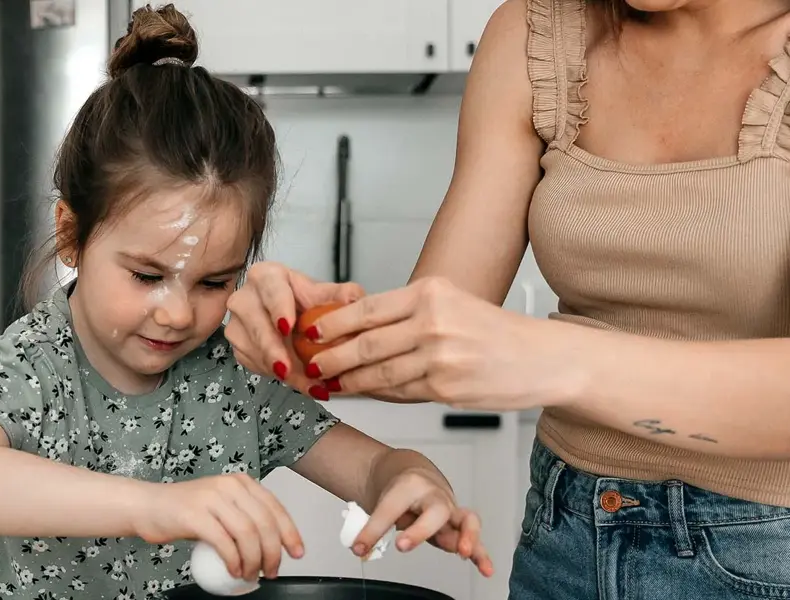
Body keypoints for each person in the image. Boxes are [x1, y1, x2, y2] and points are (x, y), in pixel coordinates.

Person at [0, 6, 494, 600]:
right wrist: (154, 507)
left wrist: (413, 480)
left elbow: (371, 469)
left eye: (214, 283)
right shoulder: (32, 367)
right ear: (70, 235)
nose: (178, 313)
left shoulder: (235, 377)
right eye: (146, 275)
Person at [223, 0, 790, 598]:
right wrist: (300, 331)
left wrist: (552, 358)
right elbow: (425, 340)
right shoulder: (535, 35)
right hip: (566, 536)